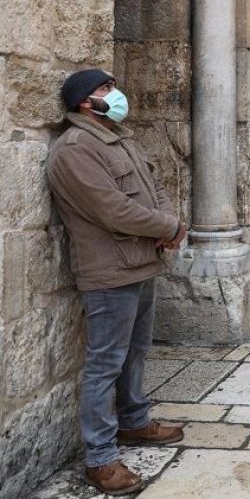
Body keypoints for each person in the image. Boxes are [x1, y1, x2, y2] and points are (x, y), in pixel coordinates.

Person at [47, 69, 187, 495]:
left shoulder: (117, 136)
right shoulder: (73, 150)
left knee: (136, 351)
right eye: (106, 89)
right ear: (84, 102)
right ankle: (100, 459)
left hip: (141, 261)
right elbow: (112, 209)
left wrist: (168, 223)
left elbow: (154, 186)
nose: (116, 93)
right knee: (105, 362)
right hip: (109, 269)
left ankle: (134, 421)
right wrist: (168, 225)